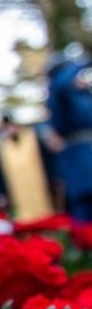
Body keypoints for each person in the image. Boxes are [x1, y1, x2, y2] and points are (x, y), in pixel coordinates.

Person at [46, 44, 92, 220]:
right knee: (85, 204)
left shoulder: (81, 93)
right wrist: (81, 62)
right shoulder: (57, 90)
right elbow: (63, 82)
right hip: (79, 156)